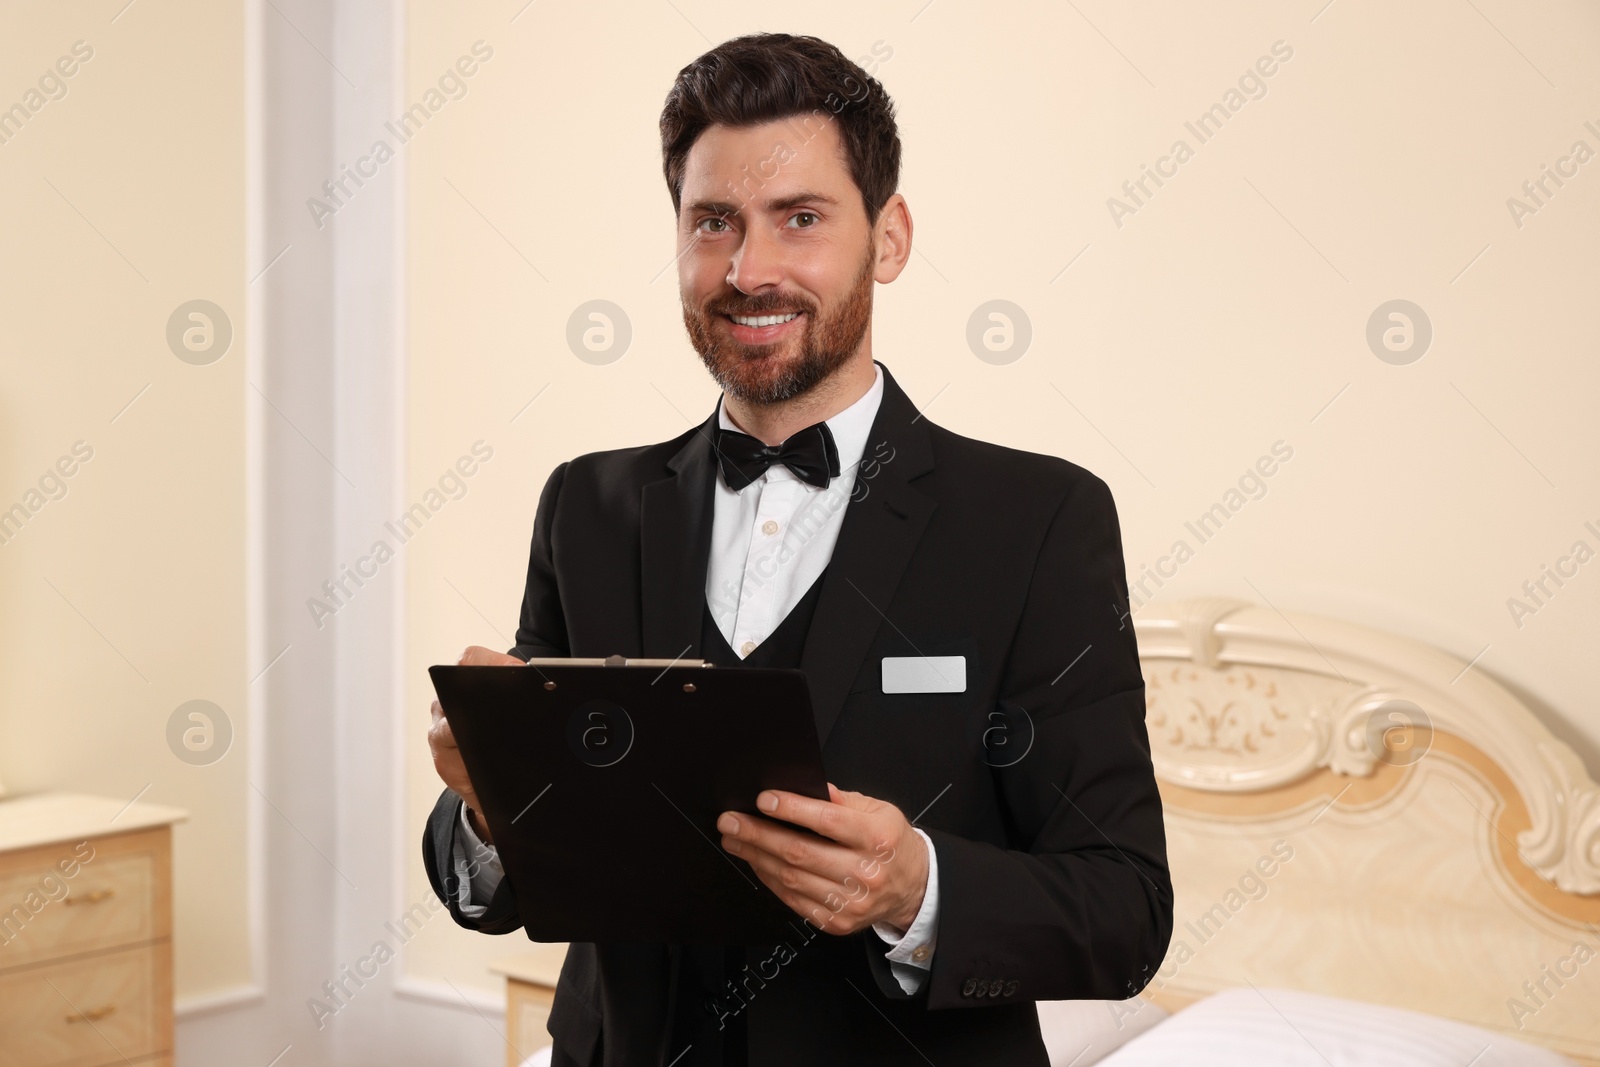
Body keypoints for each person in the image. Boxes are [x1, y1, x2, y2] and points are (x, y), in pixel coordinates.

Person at [423, 31, 1172, 1067]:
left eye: (801, 219)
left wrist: (916, 886)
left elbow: (1124, 908)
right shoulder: (586, 506)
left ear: (891, 237)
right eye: (713, 222)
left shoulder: (1039, 518)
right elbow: (501, 883)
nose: (748, 268)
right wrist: (492, 805)